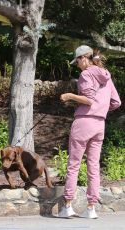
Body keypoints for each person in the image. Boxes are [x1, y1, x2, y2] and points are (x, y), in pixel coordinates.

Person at [58, 45, 121, 219]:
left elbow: (88, 100)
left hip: (84, 123)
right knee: (93, 166)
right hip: (99, 124)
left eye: (77, 60)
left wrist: (69, 96)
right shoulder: (106, 77)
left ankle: (68, 206)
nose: (77, 64)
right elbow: (116, 102)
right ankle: (91, 208)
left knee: (74, 164)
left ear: (84, 58)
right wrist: (101, 110)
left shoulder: (86, 74)